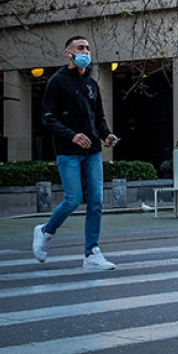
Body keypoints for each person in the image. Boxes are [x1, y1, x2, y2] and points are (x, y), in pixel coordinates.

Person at [33, 36, 119, 271]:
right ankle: (45, 231)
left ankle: (92, 253)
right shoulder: (57, 82)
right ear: (68, 53)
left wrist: (107, 135)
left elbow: (98, 116)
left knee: (96, 201)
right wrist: (71, 135)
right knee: (72, 199)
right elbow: (48, 118)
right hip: (68, 151)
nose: (86, 51)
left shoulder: (91, 84)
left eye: (88, 48)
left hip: (92, 151)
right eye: (81, 48)